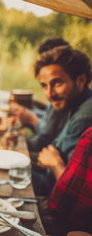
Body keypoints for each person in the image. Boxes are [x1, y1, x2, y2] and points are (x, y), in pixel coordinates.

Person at [31, 45, 92, 196]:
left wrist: (55, 163)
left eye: (57, 83)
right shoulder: (74, 103)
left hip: (54, 193)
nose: (49, 94)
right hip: (48, 179)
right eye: (44, 86)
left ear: (81, 80)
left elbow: (75, 192)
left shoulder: (85, 117)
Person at [9, 37, 71, 155]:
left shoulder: (68, 99)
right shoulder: (60, 97)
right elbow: (49, 114)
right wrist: (29, 109)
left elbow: (45, 137)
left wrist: (31, 118)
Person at [37, 126, 92, 236]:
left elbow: (75, 200)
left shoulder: (85, 122)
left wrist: (56, 165)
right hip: (56, 204)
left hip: (68, 222)